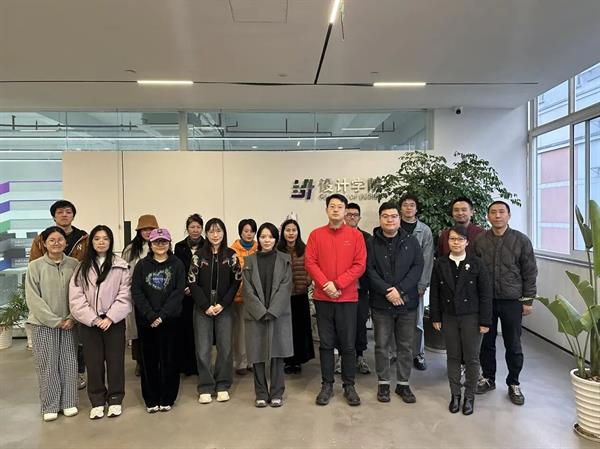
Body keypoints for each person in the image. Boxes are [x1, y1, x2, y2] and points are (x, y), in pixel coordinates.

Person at [305, 193, 367, 406]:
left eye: (340, 206)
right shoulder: (316, 235)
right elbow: (310, 262)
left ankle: (349, 385)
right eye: (332, 206)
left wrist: (338, 284)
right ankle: (327, 385)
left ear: (345, 211)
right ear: (326, 210)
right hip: (323, 298)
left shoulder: (355, 236)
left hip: (347, 298)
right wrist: (326, 285)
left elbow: (360, 265)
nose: (335, 209)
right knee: (326, 344)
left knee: (348, 344)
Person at [473, 201, 537, 405]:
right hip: (486, 301)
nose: (497, 215)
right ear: (488, 216)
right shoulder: (480, 240)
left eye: (502, 212)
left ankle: (514, 383)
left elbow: (530, 272)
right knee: (486, 343)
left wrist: (528, 300)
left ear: (509, 215)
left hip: (512, 301)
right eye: (493, 212)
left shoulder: (521, 240)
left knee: (513, 343)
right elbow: (473, 270)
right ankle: (488, 378)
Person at [69, 225, 132, 419]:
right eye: (97, 238)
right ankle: (97, 401)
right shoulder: (82, 267)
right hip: (90, 323)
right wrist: (94, 319)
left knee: (115, 362)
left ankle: (115, 399)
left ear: (111, 241)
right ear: (92, 242)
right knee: (93, 363)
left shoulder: (121, 265)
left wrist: (110, 317)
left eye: (105, 238)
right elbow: (76, 297)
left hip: (114, 322)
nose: (101, 242)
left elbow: (125, 294)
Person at [430, 226, 492, 415]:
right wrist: (435, 316)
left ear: (467, 242)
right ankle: (455, 395)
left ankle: (469, 396)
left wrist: (485, 321)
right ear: (447, 241)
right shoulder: (440, 263)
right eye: (452, 239)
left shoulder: (476, 263)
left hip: (471, 317)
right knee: (453, 357)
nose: (456, 242)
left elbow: (485, 294)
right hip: (449, 316)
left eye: (460, 239)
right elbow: (435, 293)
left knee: (472, 358)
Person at [367, 201, 424, 404]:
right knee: (381, 345)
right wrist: (387, 291)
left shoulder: (411, 241)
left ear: (399, 219)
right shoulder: (371, 243)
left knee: (406, 346)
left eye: (393, 216)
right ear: (380, 219)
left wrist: (399, 290)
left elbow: (417, 267)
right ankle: (383, 383)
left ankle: (403, 384)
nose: (390, 220)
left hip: (406, 303)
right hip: (381, 303)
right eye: (385, 216)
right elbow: (369, 270)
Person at [29, 199, 89, 390]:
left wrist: (74, 313)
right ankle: (52, 392)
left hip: (73, 303)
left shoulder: (84, 238)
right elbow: (35, 268)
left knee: (74, 350)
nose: (64, 215)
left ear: (73, 215)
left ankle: (76, 376)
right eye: (60, 212)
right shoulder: (41, 240)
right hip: (48, 301)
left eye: (68, 212)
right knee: (49, 358)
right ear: (54, 216)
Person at [25, 226, 80, 422]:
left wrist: (72, 317)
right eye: (52, 240)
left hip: (69, 323)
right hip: (43, 324)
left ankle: (69, 402)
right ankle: (50, 405)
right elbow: (33, 298)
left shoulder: (74, 264)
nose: (56, 243)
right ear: (44, 243)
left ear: (66, 242)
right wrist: (54, 321)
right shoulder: (35, 266)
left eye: (60, 239)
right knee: (47, 365)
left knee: (69, 363)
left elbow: (80, 293)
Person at [131, 228, 185, 413]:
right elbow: (137, 292)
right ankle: (151, 398)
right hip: (147, 322)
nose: (160, 245)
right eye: (156, 242)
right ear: (150, 244)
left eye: (164, 242)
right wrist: (151, 315)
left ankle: (167, 397)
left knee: (169, 360)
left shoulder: (177, 264)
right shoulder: (141, 265)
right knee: (149, 361)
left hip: (170, 321)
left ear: (169, 243)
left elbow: (178, 292)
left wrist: (162, 315)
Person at [190, 218, 241, 404]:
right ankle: (205, 386)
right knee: (203, 348)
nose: (215, 235)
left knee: (225, 347)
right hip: (202, 309)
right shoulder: (198, 256)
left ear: (224, 233)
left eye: (218, 231)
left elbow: (236, 281)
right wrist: (205, 305)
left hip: (224, 308)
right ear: (206, 234)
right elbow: (192, 282)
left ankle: (222, 384)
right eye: (211, 231)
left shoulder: (231, 255)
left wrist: (223, 304)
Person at [243, 222, 293, 407]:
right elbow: (247, 289)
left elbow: (286, 286)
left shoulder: (284, 259)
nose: (267, 240)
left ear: (276, 239)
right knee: (257, 354)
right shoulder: (249, 260)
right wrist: (260, 310)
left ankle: (277, 392)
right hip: (255, 314)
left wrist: (272, 310)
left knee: (277, 354)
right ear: (258, 239)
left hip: (277, 314)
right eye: (263, 236)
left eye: (270, 237)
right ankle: (261, 393)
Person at [398, 194, 434, 371]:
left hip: (415, 285)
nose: (408, 208)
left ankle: (418, 354)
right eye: (405, 205)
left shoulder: (424, 230)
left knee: (417, 322)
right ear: (400, 208)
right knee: (393, 320)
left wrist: (422, 284)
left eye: (412, 205)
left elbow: (427, 259)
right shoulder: (393, 226)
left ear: (417, 208)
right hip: (395, 285)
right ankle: (394, 353)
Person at [122, 214, 159, 376]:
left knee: (155, 328)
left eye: (151, 229)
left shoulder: (161, 245)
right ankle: (139, 361)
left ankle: (156, 361)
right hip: (136, 295)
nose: (148, 232)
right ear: (139, 231)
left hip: (157, 295)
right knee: (138, 330)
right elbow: (124, 271)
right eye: (144, 229)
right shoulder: (131, 249)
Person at [278, 218, 314, 374]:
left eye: (294, 230)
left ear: (298, 232)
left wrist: (307, 281)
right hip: (283, 298)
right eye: (288, 230)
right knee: (285, 330)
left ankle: (298, 360)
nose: (291, 233)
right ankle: (287, 361)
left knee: (300, 329)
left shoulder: (305, 249)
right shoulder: (278, 250)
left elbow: (311, 268)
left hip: (300, 295)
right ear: (283, 233)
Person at [174, 213, 205, 376]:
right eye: (192, 227)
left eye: (198, 227)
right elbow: (178, 270)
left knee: (200, 332)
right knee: (185, 330)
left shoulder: (207, 245)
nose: (195, 230)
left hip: (202, 294)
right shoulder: (179, 247)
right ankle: (185, 365)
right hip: (184, 295)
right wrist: (186, 287)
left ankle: (199, 365)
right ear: (187, 229)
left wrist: (196, 289)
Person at [343, 203, 371, 375]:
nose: (352, 217)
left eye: (355, 214)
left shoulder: (367, 238)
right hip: (342, 289)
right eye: (349, 214)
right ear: (344, 216)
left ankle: (360, 356)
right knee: (343, 325)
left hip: (361, 289)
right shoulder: (337, 235)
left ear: (359, 218)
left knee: (360, 323)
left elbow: (370, 265)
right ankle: (342, 358)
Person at [230, 218, 258, 375]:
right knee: (240, 331)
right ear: (240, 232)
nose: (249, 234)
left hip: (255, 298)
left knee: (254, 330)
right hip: (239, 297)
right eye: (246, 231)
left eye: (252, 231)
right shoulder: (232, 250)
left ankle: (252, 361)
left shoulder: (259, 248)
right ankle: (240, 362)